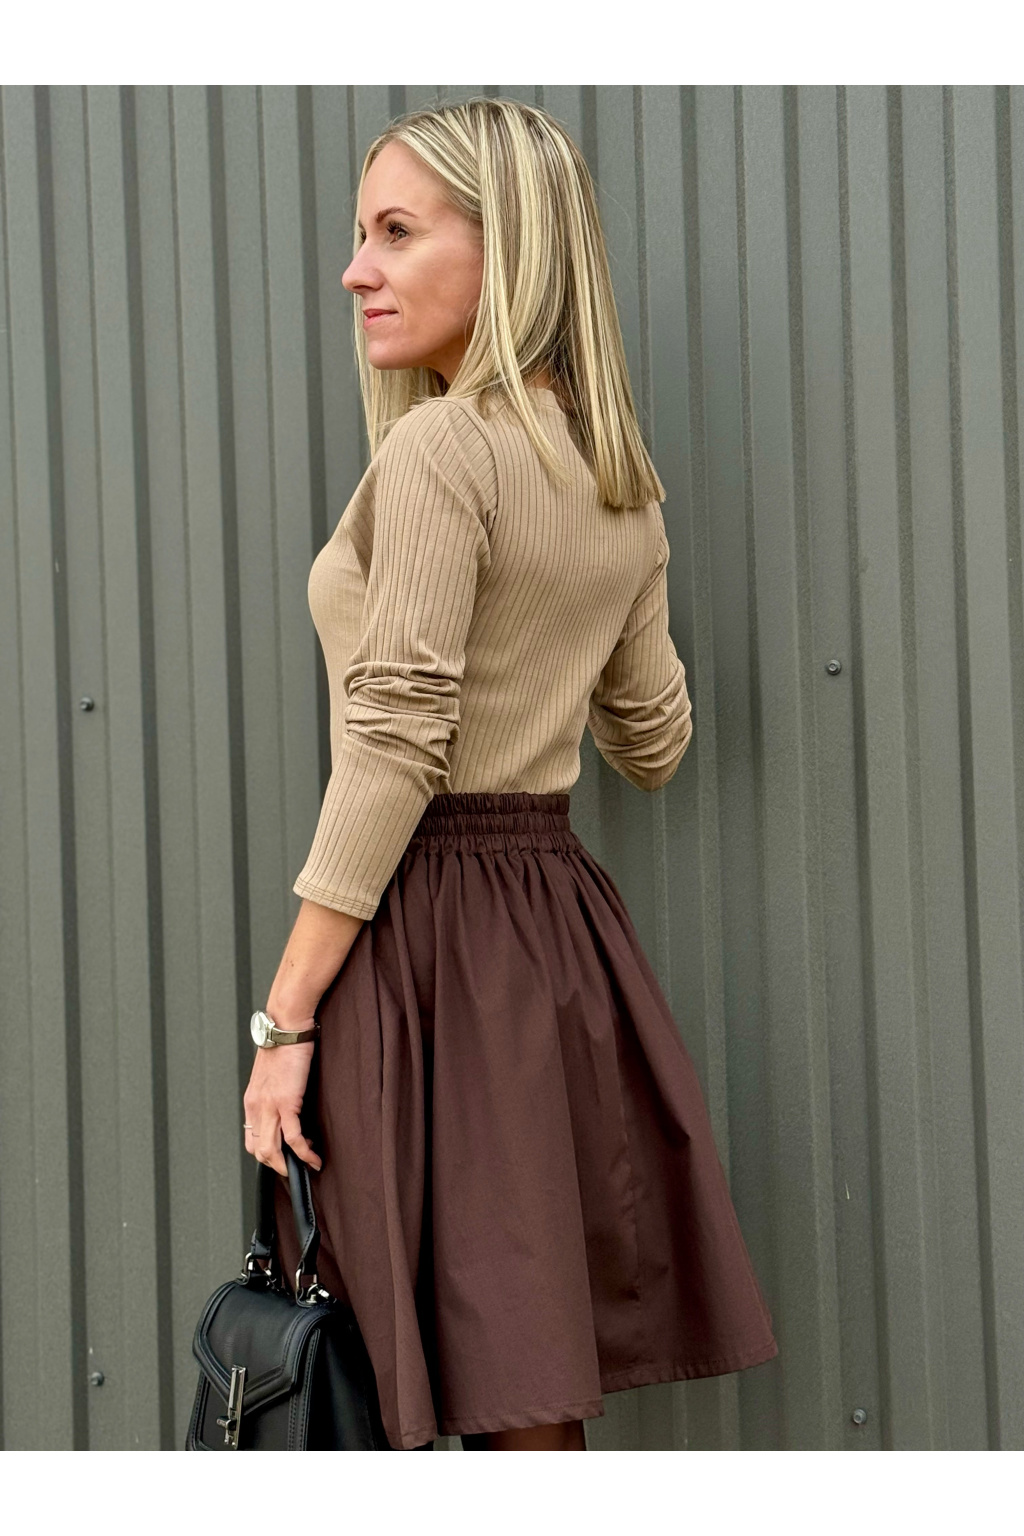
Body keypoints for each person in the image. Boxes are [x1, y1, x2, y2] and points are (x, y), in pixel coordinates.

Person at [241, 97, 778, 1453]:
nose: (356, 270)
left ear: (511, 251)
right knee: (522, 1367)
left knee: (428, 1368)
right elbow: (652, 743)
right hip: (552, 935)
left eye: (396, 233)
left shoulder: (439, 449)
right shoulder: (617, 479)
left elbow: (396, 742)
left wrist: (284, 1023)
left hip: (427, 927)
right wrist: (590, 595)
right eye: (360, 236)